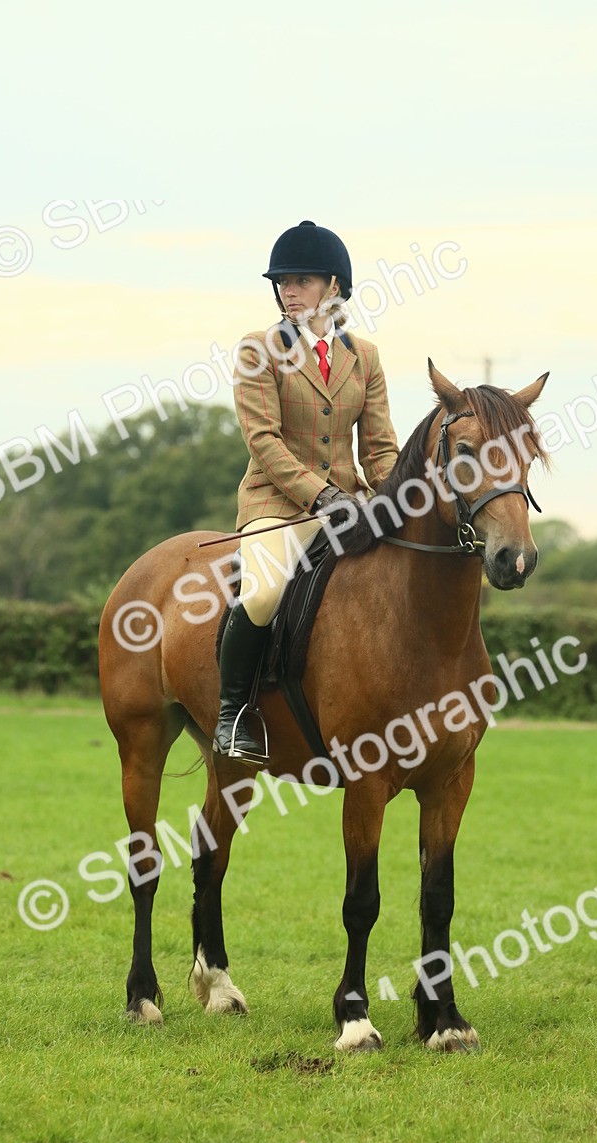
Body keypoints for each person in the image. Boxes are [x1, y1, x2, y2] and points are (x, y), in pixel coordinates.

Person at [212, 220, 400, 763]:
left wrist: (398, 496)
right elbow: (264, 441)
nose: (287, 291)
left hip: (350, 504)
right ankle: (232, 714)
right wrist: (321, 497)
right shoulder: (258, 350)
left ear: (334, 287)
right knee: (264, 592)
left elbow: (379, 449)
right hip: (279, 505)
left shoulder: (365, 357)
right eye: (282, 282)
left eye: (301, 281)